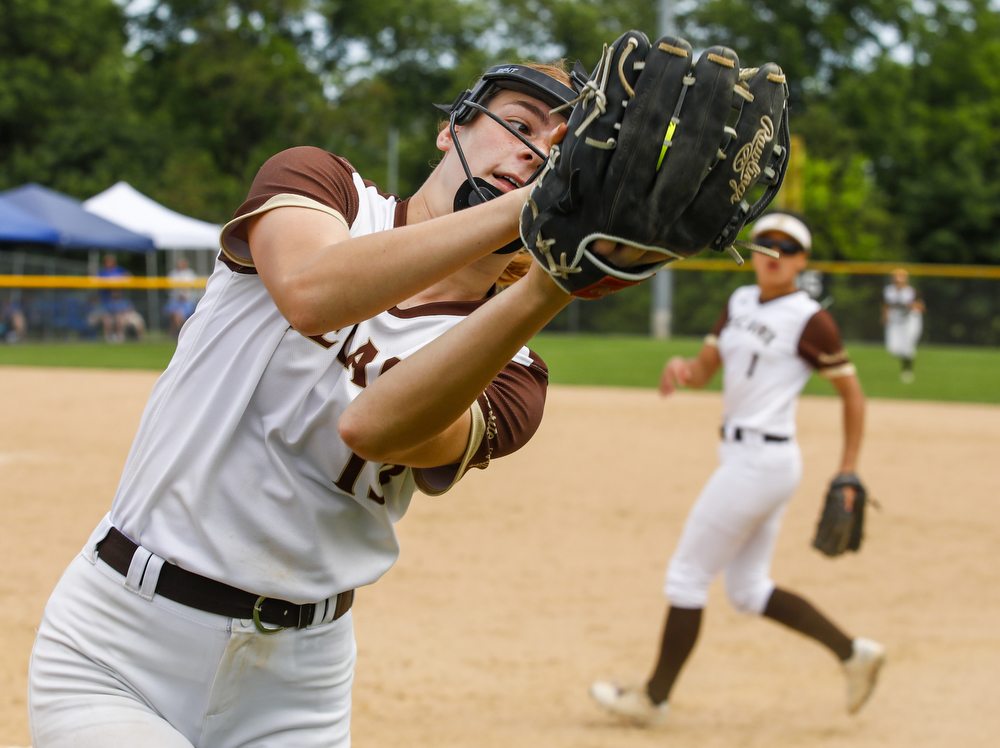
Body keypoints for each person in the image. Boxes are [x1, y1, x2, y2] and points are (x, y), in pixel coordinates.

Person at [28, 60, 658, 748]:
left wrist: (552, 285)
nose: (536, 155)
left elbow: (373, 426)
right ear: (452, 127)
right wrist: (533, 206)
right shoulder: (326, 189)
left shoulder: (514, 368)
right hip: (120, 645)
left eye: (564, 154)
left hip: (299, 685)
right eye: (519, 124)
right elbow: (310, 291)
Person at [590, 212, 885, 727]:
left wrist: (848, 471)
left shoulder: (810, 319)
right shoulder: (739, 302)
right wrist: (683, 369)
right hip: (745, 458)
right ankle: (853, 653)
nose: (774, 254)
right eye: (765, 244)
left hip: (763, 462)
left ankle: (653, 700)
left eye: (787, 247)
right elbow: (705, 370)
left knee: (687, 576)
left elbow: (853, 396)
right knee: (748, 590)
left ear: (802, 260)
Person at [881, 267, 924, 383]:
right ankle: (905, 361)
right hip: (895, 321)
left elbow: (921, 307)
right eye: (896, 280)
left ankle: (907, 370)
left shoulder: (911, 292)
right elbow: (886, 305)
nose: (898, 283)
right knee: (893, 349)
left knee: (907, 347)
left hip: (909, 321)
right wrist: (884, 316)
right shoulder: (889, 290)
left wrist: (912, 306)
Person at [163, 258, 200, 337]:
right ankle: (177, 333)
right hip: (175, 300)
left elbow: (194, 289)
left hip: (188, 301)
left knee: (180, 314)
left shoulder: (190, 274)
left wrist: (185, 295)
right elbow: (169, 290)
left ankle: (181, 333)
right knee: (175, 313)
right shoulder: (173, 274)